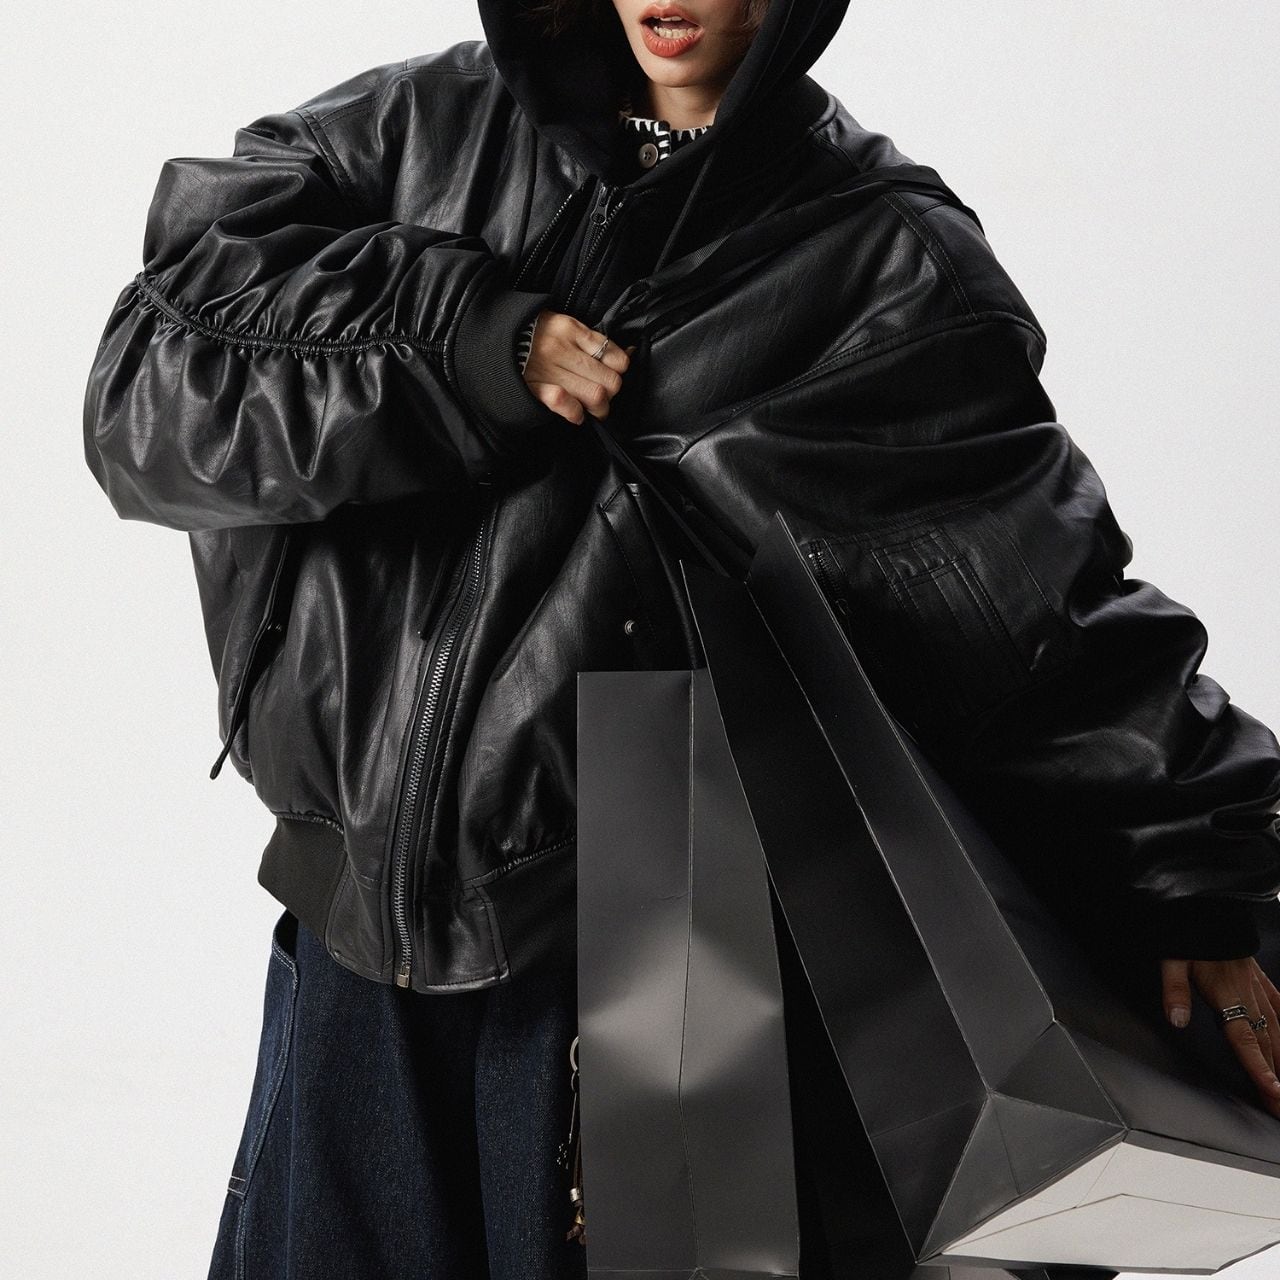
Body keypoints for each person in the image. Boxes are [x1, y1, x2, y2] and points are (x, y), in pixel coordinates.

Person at [81, 1, 1280, 1277]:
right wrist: (457, 343)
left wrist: (1190, 870)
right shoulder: (405, 134)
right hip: (354, 950)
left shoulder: (877, 257)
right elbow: (151, 387)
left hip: (656, 963)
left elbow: (1036, 615)